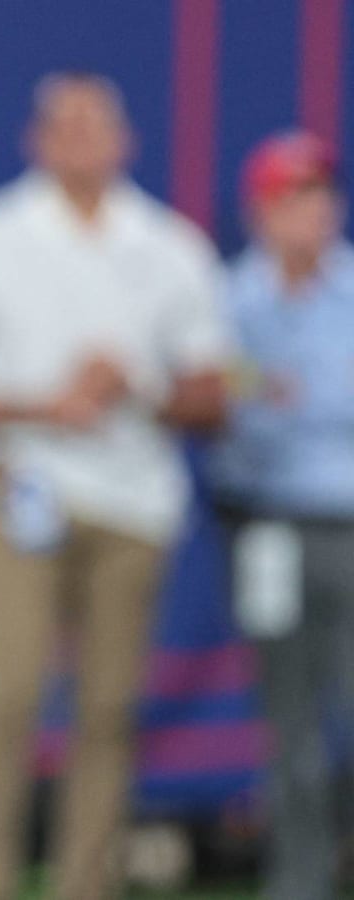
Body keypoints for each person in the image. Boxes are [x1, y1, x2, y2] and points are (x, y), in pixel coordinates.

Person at [0, 72, 230, 900]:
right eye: (67, 129)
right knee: (8, 698)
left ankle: (85, 886)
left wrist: (141, 389)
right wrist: (41, 405)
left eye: (97, 128)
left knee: (110, 712)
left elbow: (212, 395)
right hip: (24, 487)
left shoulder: (170, 248)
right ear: (39, 143)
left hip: (134, 502)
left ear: (125, 142)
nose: (83, 144)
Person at [208, 131, 354, 900]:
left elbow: (272, 406)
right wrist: (273, 404)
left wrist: (280, 401)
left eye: (322, 194)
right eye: (295, 197)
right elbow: (226, 423)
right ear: (261, 211)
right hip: (267, 529)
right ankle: (298, 883)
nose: (315, 212)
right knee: (290, 722)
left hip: (349, 528)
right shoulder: (231, 299)